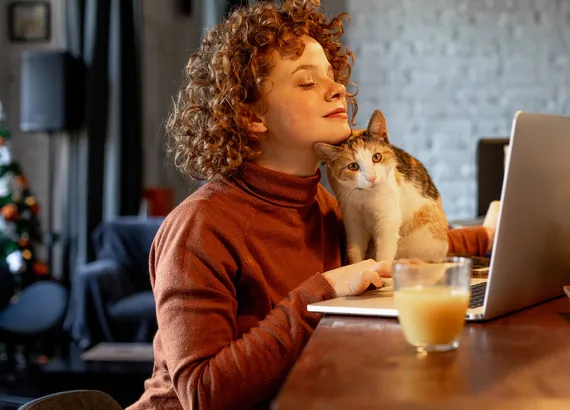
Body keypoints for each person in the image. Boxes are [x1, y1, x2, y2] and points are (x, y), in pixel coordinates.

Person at [128, 1, 494, 409]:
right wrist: (322, 292)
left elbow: (400, 244)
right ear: (251, 115)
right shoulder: (200, 227)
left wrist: (491, 238)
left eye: (332, 77)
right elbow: (201, 393)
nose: (336, 88)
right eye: (306, 83)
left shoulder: (320, 202)